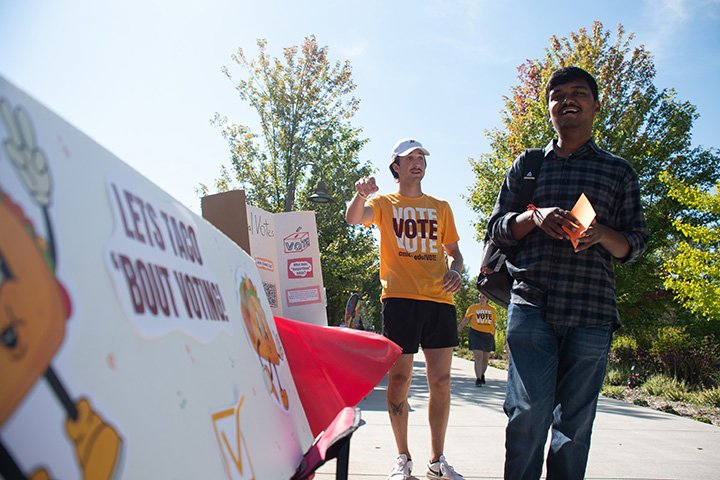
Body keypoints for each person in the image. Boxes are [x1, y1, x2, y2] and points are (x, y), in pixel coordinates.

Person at [487, 66, 649, 480]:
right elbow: (497, 229)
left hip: (591, 310)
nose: (567, 101)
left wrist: (603, 235)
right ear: (548, 109)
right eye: (558, 96)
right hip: (531, 303)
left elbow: (636, 244)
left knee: (574, 425)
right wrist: (533, 218)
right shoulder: (528, 165)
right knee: (528, 413)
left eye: (578, 93)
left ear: (596, 106)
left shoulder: (618, 171)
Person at [346, 138, 465, 480]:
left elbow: (455, 253)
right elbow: (354, 218)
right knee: (399, 379)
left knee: (440, 381)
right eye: (409, 158)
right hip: (399, 301)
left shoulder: (441, 207)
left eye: (421, 157)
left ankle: (437, 460)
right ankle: (403, 458)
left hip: (439, 301)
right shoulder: (384, 202)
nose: (417, 162)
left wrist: (456, 270)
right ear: (395, 167)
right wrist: (361, 194)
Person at [457, 293, 496, 386]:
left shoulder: (492, 310)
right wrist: (458, 329)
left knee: (485, 359)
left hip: (488, 335)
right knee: (478, 356)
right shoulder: (473, 308)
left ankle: (482, 374)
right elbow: (466, 320)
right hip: (475, 334)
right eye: (480, 297)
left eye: (484, 297)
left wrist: (494, 335)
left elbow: (493, 324)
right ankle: (478, 379)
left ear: (487, 299)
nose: (482, 298)